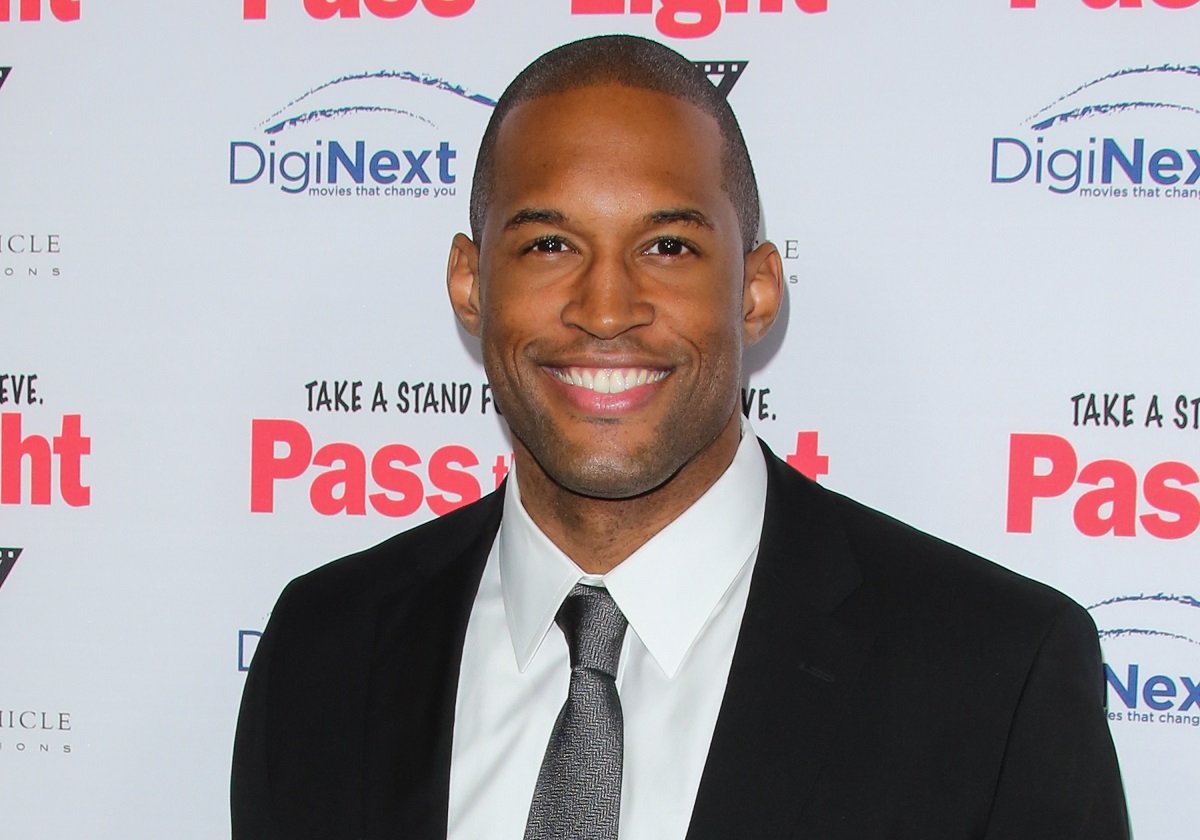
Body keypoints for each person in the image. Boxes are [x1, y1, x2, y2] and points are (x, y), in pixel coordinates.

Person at [232, 34, 1129, 840]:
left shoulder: (996, 674)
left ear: (757, 289)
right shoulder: (325, 649)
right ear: (471, 284)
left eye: (668, 247)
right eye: (549, 244)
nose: (607, 308)